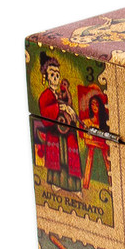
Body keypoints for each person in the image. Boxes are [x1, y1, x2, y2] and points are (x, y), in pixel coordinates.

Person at [37, 52, 82, 194]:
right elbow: (45, 113)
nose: (56, 77)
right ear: (46, 77)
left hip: (67, 133)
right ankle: (56, 183)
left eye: (57, 74)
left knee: (69, 158)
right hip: (55, 134)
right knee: (58, 158)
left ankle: (74, 187)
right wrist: (61, 107)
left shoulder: (60, 94)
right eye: (52, 74)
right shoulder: (46, 95)